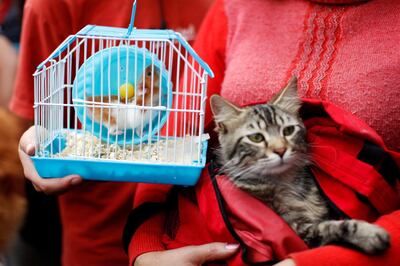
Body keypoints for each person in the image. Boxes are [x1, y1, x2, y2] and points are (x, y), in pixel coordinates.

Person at [127, 0, 400, 265]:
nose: (280, 147)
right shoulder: (235, 7)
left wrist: (324, 260)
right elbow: (169, 143)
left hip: (369, 251)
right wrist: (148, 251)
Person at [12, 0, 214, 265]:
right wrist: (34, 144)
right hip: (98, 242)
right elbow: (31, 116)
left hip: (187, 240)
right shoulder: (49, 6)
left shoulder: (219, 6)